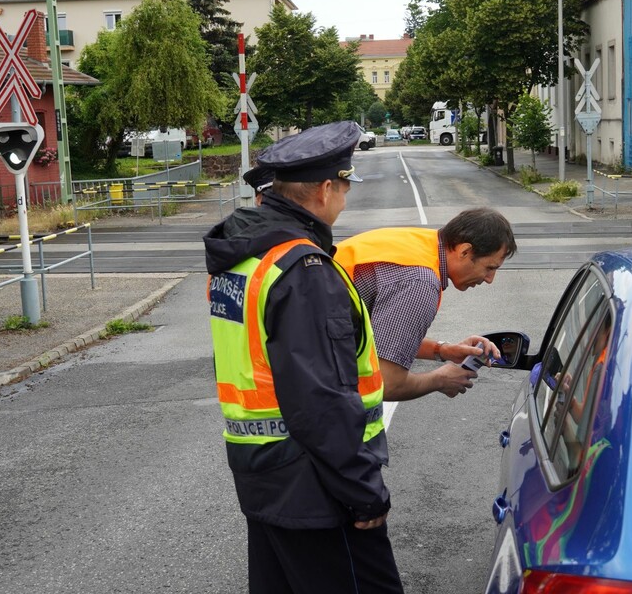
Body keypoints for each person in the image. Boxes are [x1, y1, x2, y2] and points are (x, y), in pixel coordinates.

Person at [204, 121, 403, 594]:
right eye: (346, 186)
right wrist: (364, 496)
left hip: (264, 475)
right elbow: (320, 400)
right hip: (318, 491)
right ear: (325, 189)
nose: (346, 198)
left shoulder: (245, 257)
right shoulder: (304, 270)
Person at [334, 208, 517, 401]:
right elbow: (387, 383)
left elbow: (383, 337)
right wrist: (440, 380)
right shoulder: (420, 282)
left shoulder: (420, 242)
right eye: (489, 268)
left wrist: (443, 350)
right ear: (464, 251)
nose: (490, 279)